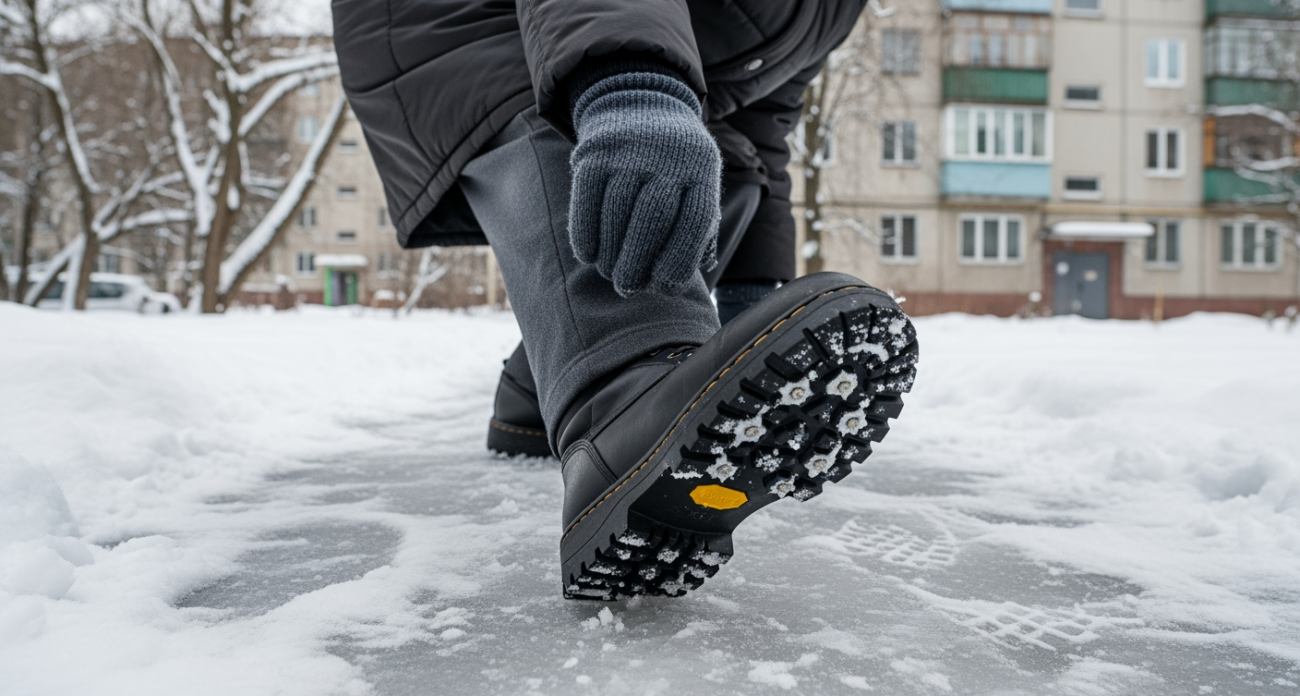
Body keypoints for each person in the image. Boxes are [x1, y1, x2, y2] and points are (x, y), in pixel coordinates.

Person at [332, 0, 918, 600]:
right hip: (463, 22)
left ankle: (534, 389)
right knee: (567, 121)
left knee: (728, 165)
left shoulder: (831, 11)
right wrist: (631, 85)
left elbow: (763, 133)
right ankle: (611, 403)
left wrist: (753, 298)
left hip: (603, 36)